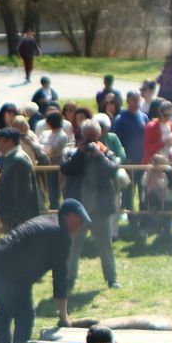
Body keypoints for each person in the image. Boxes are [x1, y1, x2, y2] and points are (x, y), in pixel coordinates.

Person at [0, 200, 89, 343]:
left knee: (4, 309)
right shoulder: (60, 234)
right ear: (68, 216)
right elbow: (60, 277)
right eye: (80, 220)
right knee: (25, 315)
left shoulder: (49, 221)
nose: (82, 225)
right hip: (10, 272)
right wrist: (63, 315)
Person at [61, 121, 121, 290]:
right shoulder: (73, 152)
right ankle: (69, 279)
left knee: (105, 246)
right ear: (82, 135)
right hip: (78, 210)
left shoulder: (106, 153)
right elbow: (66, 169)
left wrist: (99, 156)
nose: (90, 141)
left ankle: (111, 278)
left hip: (100, 209)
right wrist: (80, 153)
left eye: (93, 137)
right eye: (88, 137)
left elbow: (112, 170)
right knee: (73, 247)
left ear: (99, 135)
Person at [0, 126, 37, 233]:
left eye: (0, 140)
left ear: (10, 142)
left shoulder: (19, 160)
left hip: (17, 222)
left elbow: (23, 194)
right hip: (10, 219)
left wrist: (16, 218)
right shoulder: (10, 158)